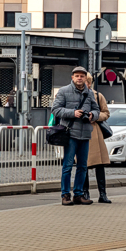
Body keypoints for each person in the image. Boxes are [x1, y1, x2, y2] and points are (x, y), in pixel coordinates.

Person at [52, 66, 97, 206]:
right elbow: (55, 109)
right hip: (70, 133)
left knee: (83, 166)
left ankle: (78, 194)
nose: (79, 78)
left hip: (85, 134)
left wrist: (92, 115)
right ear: (72, 77)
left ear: (85, 78)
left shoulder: (89, 93)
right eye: (77, 76)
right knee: (67, 166)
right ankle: (65, 195)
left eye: (82, 76)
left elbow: (97, 109)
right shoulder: (64, 91)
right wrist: (73, 113)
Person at [83, 88, 112, 204]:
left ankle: (102, 194)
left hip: (95, 132)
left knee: (100, 165)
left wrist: (95, 116)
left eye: (87, 82)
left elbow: (106, 113)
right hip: (80, 132)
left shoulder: (98, 96)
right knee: (83, 164)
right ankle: (85, 193)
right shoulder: (73, 95)